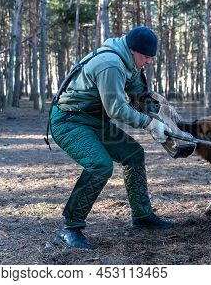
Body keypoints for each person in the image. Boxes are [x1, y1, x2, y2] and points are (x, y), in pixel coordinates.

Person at [49, 27, 173, 249]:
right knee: (100, 165)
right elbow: (116, 109)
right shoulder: (111, 64)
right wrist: (148, 124)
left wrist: (164, 117)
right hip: (69, 121)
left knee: (134, 154)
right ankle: (69, 229)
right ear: (134, 50)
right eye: (146, 57)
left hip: (94, 121)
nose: (148, 62)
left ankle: (142, 216)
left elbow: (139, 96)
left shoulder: (129, 63)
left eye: (151, 58)